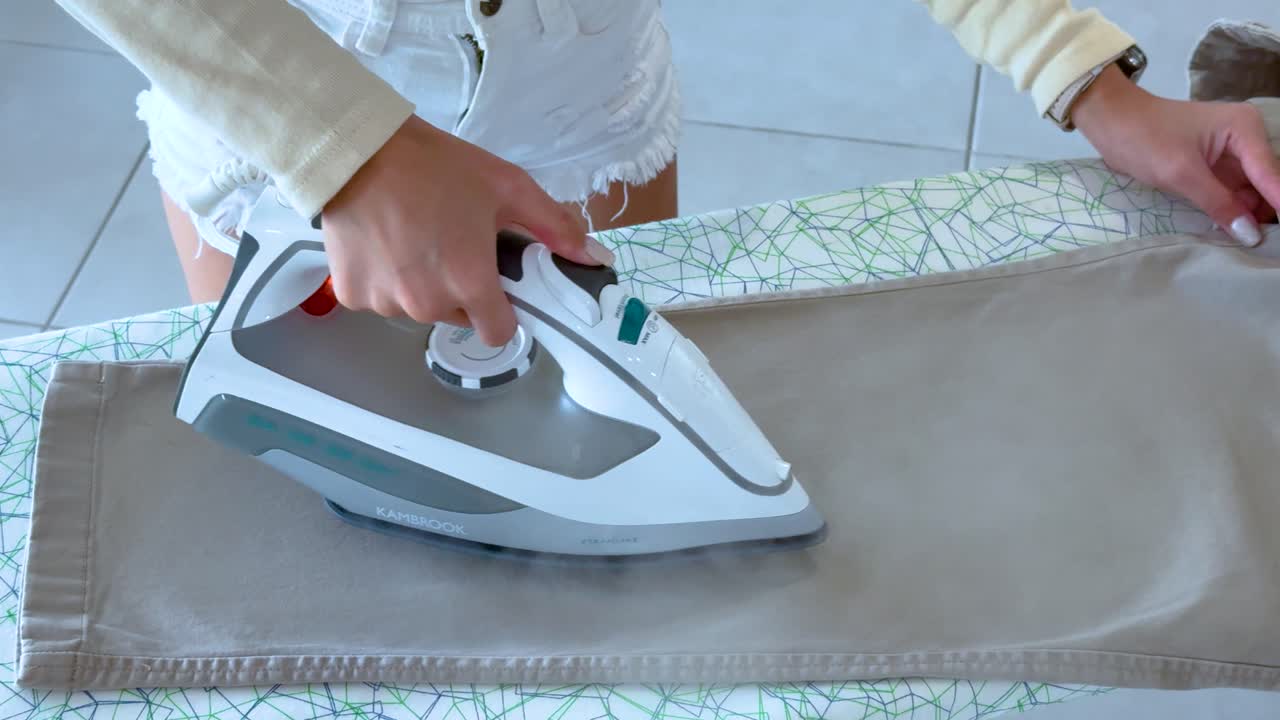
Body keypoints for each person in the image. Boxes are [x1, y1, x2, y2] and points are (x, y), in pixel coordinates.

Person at [55, 0, 1280, 348]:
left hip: (579, 100)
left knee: (623, 339)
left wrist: (1089, 83)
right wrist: (347, 151)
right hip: (279, 117)